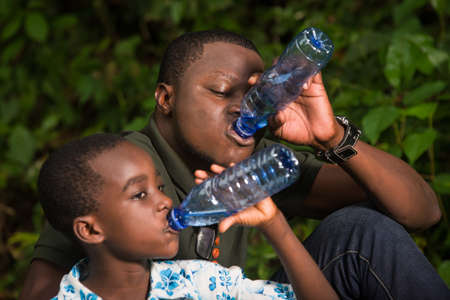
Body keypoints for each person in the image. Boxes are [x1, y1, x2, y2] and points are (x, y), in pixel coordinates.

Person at [20, 30, 449, 299]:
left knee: (360, 230)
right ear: (165, 98)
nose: (243, 109)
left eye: (254, 94)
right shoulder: (116, 172)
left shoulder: (258, 163)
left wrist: (330, 138)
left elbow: (421, 211)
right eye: (222, 91)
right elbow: (42, 290)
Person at [38, 132, 339, 300]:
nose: (165, 201)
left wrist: (275, 227)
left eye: (159, 186)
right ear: (90, 230)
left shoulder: (198, 282)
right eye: (140, 194)